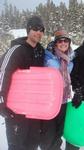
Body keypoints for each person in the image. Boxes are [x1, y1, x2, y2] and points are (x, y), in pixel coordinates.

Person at [0, 16, 45, 150]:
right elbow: (3, 74)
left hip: (33, 109)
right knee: (17, 146)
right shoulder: (16, 50)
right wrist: (1, 101)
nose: (39, 32)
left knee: (32, 144)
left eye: (41, 29)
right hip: (16, 110)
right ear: (28, 30)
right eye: (35, 28)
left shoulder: (40, 51)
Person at [42, 28, 74, 149]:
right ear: (55, 43)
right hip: (50, 100)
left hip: (64, 99)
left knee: (59, 130)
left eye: (66, 40)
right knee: (48, 132)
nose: (63, 43)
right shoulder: (48, 57)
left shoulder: (70, 58)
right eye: (60, 41)